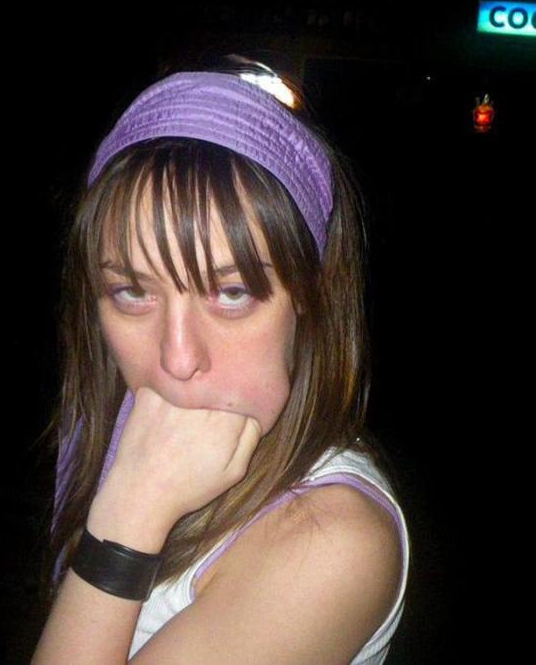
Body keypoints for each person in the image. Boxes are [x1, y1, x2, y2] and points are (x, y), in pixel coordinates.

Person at [31, 53, 411, 664]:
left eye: (232, 293)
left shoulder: (328, 540)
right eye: (131, 291)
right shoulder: (133, 440)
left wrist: (127, 520)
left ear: (309, 300)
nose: (178, 358)